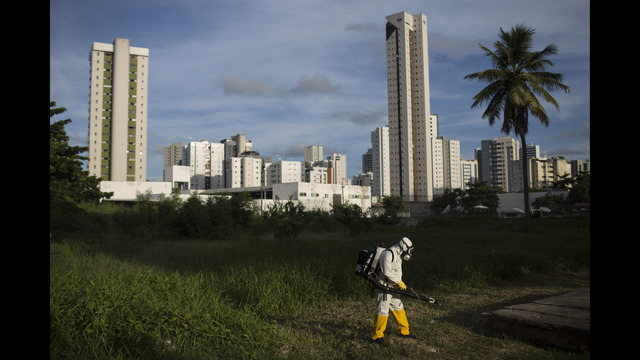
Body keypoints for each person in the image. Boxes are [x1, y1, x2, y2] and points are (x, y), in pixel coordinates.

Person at [372, 237, 417, 345]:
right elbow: (387, 272)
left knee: (399, 308)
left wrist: (399, 284)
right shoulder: (388, 254)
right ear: (404, 247)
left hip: (394, 288)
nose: (409, 253)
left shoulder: (398, 256)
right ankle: (377, 337)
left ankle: (405, 331)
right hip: (384, 287)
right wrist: (399, 283)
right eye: (409, 250)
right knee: (383, 311)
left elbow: (397, 272)